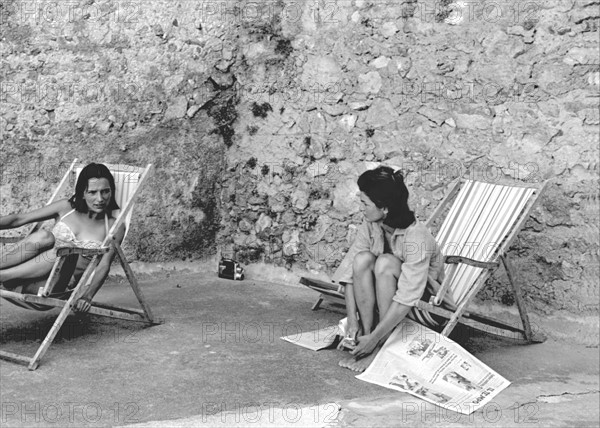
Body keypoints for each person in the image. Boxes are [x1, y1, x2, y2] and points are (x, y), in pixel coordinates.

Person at [334, 166, 449, 372]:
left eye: (365, 203)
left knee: (385, 262)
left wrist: (375, 340)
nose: (361, 208)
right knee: (362, 259)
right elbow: (350, 273)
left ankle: (379, 345)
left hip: (422, 307)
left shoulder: (416, 237)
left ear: (384, 208)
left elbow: (407, 297)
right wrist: (353, 323)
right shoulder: (371, 223)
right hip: (388, 302)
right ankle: (365, 335)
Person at [0, 163, 125, 312]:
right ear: (82, 193)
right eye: (92, 192)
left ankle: (3, 276)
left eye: (105, 191)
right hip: (23, 277)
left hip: (50, 289)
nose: (100, 198)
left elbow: (104, 264)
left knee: (64, 252)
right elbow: (19, 219)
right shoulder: (65, 208)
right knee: (44, 236)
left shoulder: (114, 226)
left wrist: (87, 296)